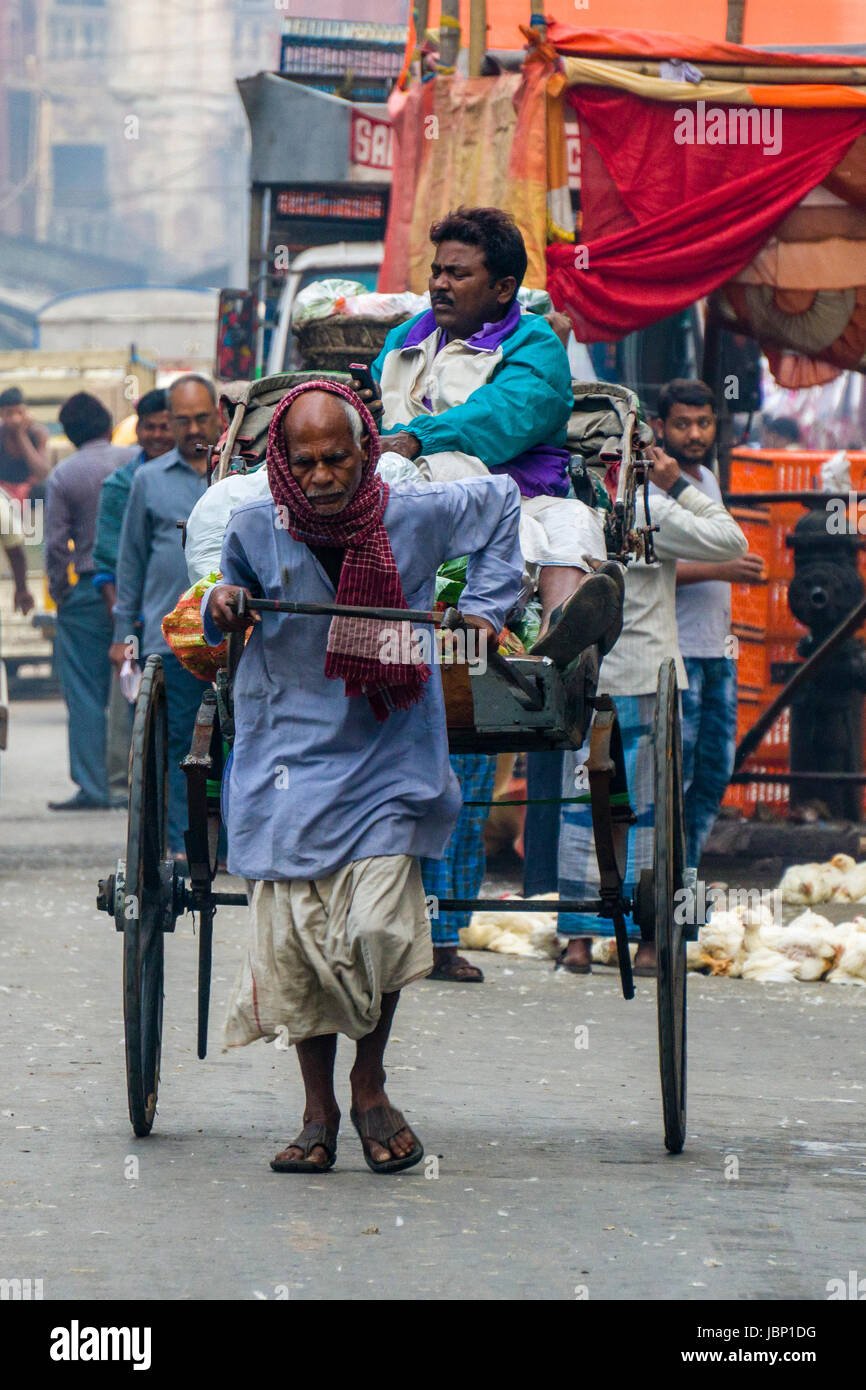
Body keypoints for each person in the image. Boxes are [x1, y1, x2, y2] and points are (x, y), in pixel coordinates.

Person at [204, 380, 522, 1173]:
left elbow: (507, 503)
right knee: (302, 950)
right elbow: (213, 600)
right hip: (285, 755)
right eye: (305, 462)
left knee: (376, 932)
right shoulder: (250, 523)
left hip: (387, 743)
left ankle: (370, 1081)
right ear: (281, 460)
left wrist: (483, 610)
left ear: (367, 449)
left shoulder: (413, 512)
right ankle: (320, 1112)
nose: (321, 477)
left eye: (337, 458)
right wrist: (225, 598)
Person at [368, 205, 622, 983]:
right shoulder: (403, 340)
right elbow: (373, 418)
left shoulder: (534, 345)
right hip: (419, 518)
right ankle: (420, 934)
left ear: (504, 286)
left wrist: (425, 439)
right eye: (436, 270)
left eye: (458, 273)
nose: (440, 284)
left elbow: (512, 416)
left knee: (574, 523)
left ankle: (556, 645)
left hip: (518, 500)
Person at [556, 439, 748, 974]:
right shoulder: (651, 510)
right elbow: (731, 538)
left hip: (586, 678)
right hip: (645, 678)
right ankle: (648, 943)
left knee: (586, 806)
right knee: (649, 812)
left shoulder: (568, 511)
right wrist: (677, 483)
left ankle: (579, 938)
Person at [111, 375, 222, 860]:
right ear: (169, 421)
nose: (193, 427)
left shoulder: (242, 475)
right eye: (183, 419)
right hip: (174, 641)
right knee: (181, 744)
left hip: (239, 637)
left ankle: (235, 841)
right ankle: (183, 844)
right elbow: (130, 562)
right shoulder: (148, 481)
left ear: (219, 416)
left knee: (236, 741)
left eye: (202, 417)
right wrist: (123, 634)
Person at [654, 380, 763, 865]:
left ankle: (687, 881)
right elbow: (649, 571)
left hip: (717, 653)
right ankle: (666, 889)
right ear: (660, 427)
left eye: (703, 423)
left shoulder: (706, 480)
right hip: (678, 656)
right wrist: (722, 570)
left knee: (715, 772)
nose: (695, 433)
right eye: (682, 423)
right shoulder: (660, 485)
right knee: (675, 776)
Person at [44, 393, 137, 810]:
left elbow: (55, 545)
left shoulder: (64, 474)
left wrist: (60, 591)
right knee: (134, 683)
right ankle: (133, 782)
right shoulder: (136, 462)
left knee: (83, 690)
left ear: (69, 432)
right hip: (136, 587)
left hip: (84, 591)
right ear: (107, 423)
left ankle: (94, 787)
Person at [92, 389, 172, 798]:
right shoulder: (122, 484)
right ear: (137, 429)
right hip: (138, 622)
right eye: (149, 426)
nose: (157, 434)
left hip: (186, 621)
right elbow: (107, 568)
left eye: (165, 425)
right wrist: (123, 630)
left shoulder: (204, 476)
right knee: (134, 721)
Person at [0, 388, 51, 503]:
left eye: (20, 413)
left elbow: (43, 473)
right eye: (9, 413)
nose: (16, 419)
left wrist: (22, 436)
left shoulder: (37, 432)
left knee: (44, 489)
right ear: (1, 414)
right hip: (3, 493)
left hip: (30, 492)